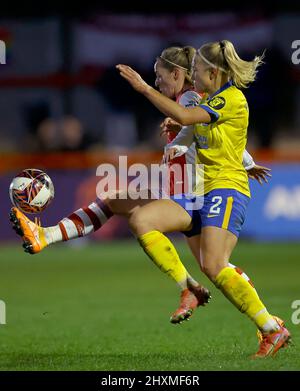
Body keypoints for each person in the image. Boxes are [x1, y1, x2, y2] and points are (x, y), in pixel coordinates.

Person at [10, 46, 270, 328]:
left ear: (177, 73)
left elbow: (195, 121)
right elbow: (219, 135)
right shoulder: (195, 100)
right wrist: (247, 161)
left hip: (191, 194)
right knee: (117, 203)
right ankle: (45, 235)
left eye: (160, 76)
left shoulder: (191, 97)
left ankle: (199, 292)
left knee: (209, 262)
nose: (157, 82)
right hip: (183, 191)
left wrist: (146, 90)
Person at [114, 40, 290, 358]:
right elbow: (189, 127)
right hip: (201, 193)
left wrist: (143, 89)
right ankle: (192, 288)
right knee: (143, 220)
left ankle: (272, 329)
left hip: (226, 189)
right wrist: (178, 128)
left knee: (215, 264)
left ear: (212, 72)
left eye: (195, 70)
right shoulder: (211, 101)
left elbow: (186, 114)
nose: (192, 76)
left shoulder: (231, 99)